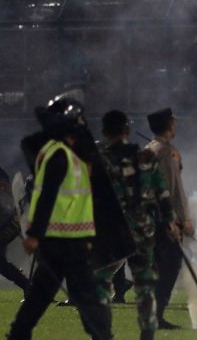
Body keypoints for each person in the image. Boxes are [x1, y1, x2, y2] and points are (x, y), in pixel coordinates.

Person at [7, 98, 112, 340]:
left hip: (59, 241)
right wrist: (34, 235)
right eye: (79, 120)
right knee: (88, 298)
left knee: (39, 296)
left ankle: (17, 335)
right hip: (68, 242)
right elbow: (48, 197)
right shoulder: (61, 156)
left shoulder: (62, 153)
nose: (83, 124)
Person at [96, 110, 179, 340]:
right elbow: (162, 194)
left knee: (100, 282)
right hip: (142, 231)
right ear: (127, 131)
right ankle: (147, 335)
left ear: (104, 132)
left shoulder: (99, 160)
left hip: (111, 232)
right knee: (145, 288)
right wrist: (171, 222)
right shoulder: (145, 158)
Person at [145, 108, 192, 330]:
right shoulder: (166, 152)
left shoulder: (151, 149)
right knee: (170, 265)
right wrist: (181, 220)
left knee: (158, 268)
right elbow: (172, 190)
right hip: (165, 220)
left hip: (151, 219)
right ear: (169, 125)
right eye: (173, 122)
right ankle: (156, 315)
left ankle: (152, 315)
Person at [0, 167, 28, 292]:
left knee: (1, 264)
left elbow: (7, 191)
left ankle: (28, 286)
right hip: (7, 220)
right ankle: (28, 285)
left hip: (6, 223)